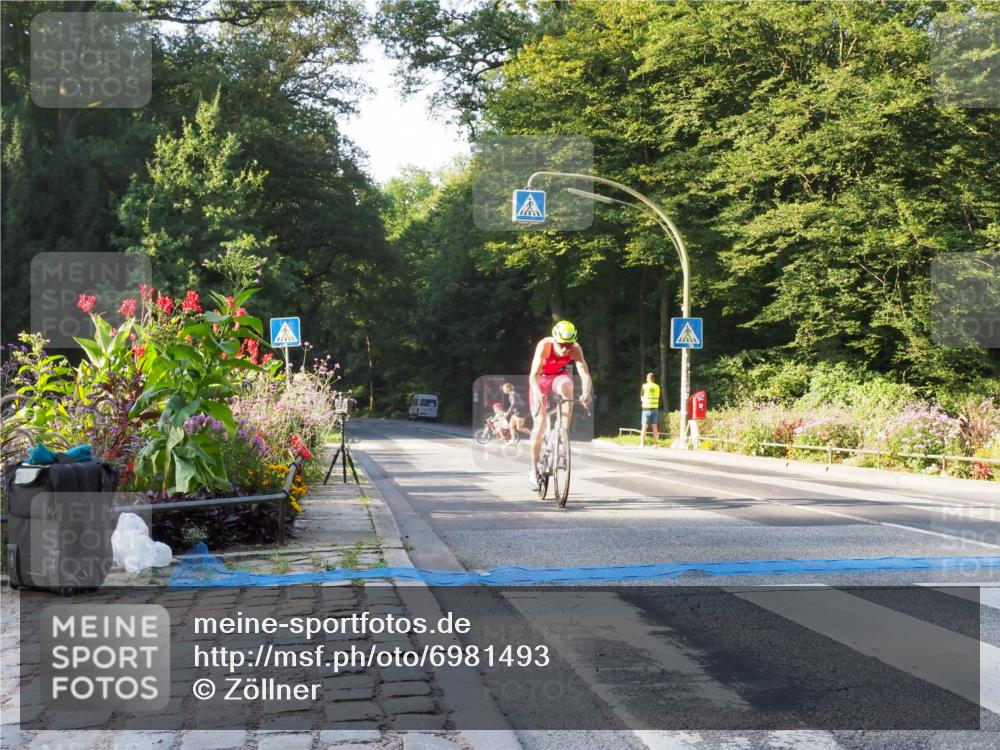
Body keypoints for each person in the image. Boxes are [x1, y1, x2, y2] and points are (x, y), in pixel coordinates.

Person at [528, 320, 593, 490]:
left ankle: (563, 433)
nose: (565, 349)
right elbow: (532, 376)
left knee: (568, 385)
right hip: (539, 380)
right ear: (555, 339)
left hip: (558, 377)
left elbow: (584, 374)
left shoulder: (575, 349)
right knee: (540, 424)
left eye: (569, 344)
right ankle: (533, 471)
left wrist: (586, 392)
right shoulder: (545, 345)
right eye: (562, 344)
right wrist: (537, 392)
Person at [639, 371, 661, 448]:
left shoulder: (644, 386)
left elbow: (641, 397)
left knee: (644, 426)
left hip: (646, 408)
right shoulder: (657, 387)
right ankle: (655, 444)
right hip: (655, 408)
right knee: (655, 426)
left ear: (647, 378)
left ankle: (642, 444)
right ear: (653, 379)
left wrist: (644, 402)